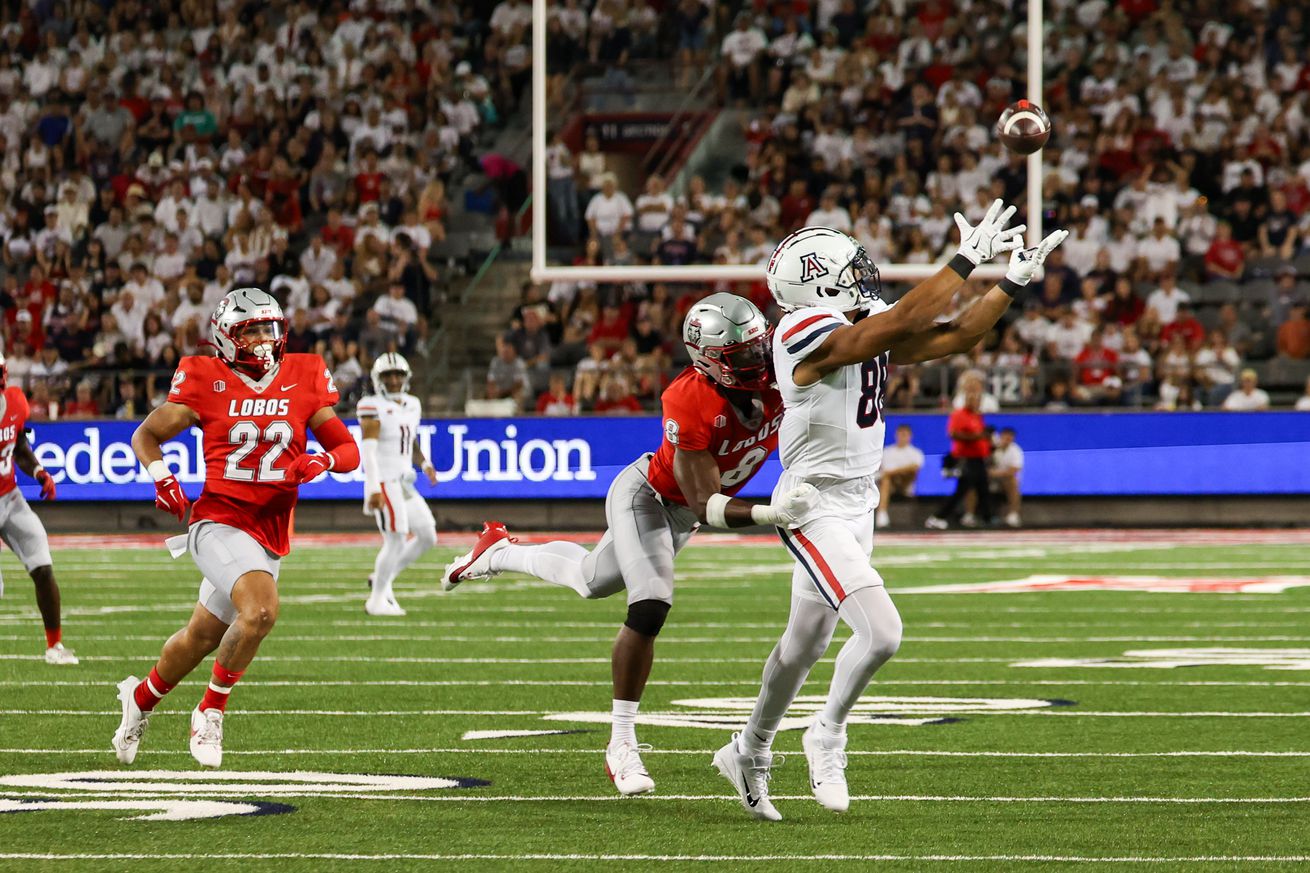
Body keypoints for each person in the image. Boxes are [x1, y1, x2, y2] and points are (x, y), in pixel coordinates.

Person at [715, 206, 1066, 821]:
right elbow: (906, 318)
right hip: (812, 502)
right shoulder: (800, 328)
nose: (861, 273)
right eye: (846, 267)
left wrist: (1010, 283)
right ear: (816, 280)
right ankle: (826, 734)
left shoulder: (859, 316)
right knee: (882, 632)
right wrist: (966, 260)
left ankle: (748, 749)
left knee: (804, 645)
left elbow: (953, 335)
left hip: (858, 502)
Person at [442, 293, 818, 797]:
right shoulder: (688, 399)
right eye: (741, 356)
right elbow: (705, 499)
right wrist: (769, 513)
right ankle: (622, 743)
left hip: (684, 515)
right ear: (708, 359)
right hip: (651, 496)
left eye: (759, 347)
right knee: (650, 604)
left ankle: (497, 551)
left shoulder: (781, 368)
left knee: (590, 580)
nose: (757, 360)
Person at [112, 288, 359, 769]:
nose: (265, 339)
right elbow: (146, 433)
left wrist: (323, 459)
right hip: (218, 521)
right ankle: (210, 711)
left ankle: (139, 700)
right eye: (252, 330)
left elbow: (348, 450)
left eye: (270, 328)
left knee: (200, 637)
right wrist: (162, 477)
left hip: (269, 533)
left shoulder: (304, 373)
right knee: (261, 612)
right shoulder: (205, 378)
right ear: (226, 338)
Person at [0, 351, 75, 664]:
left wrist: (39, 471)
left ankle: (54, 646)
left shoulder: (16, 402)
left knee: (42, 565)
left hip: (9, 495)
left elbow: (18, 445)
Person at [358, 353, 438, 617]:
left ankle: (383, 576)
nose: (394, 381)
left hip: (404, 480)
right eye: (388, 376)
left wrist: (424, 464)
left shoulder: (412, 404)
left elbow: (410, 439)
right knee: (395, 539)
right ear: (377, 379)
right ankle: (377, 600)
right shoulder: (371, 405)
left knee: (427, 535)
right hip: (384, 479)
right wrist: (373, 488)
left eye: (398, 375)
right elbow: (368, 451)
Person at [926, 377, 993, 528]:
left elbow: (981, 436)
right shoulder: (959, 415)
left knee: (983, 488)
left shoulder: (977, 416)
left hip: (978, 458)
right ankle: (937, 516)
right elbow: (953, 434)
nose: (975, 402)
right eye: (972, 399)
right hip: (965, 458)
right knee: (963, 489)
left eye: (977, 399)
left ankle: (988, 517)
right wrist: (975, 437)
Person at [875, 424, 924, 529]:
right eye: (901, 434)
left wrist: (894, 472)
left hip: (905, 485)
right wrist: (890, 474)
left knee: (908, 473)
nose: (903, 437)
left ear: (910, 436)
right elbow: (883, 472)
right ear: (896, 435)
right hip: (889, 485)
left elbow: (915, 467)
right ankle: (882, 514)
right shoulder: (887, 452)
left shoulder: (915, 453)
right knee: (886, 479)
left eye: (905, 435)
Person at [990, 426, 1025, 528]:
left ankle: (1013, 514)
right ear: (1001, 436)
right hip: (989, 479)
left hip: (1004, 479)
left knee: (1012, 481)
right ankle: (971, 515)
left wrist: (995, 473)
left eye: (1009, 438)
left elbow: (1013, 470)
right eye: (1005, 437)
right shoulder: (993, 448)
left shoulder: (1016, 450)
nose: (1007, 440)